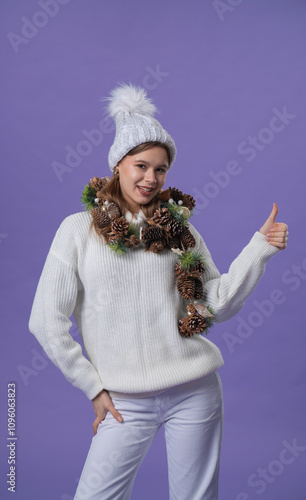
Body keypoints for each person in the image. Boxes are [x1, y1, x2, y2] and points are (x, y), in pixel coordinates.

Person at [28, 83, 288, 500]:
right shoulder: (77, 232)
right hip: (124, 400)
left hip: (194, 390)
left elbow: (215, 302)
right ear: (118, 165)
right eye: (141, 165)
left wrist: (259, 249)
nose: (151, 178)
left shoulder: (179, 231)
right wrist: (92, 386)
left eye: (161, 169)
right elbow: (45, 321)